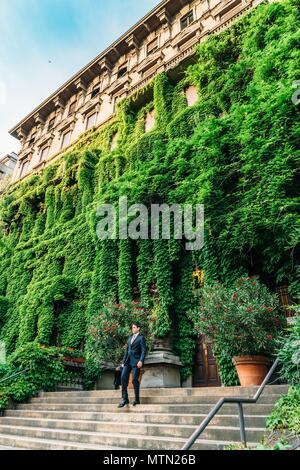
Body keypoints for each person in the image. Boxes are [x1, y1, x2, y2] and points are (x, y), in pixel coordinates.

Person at [118, 322, 147, 408]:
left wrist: (141, 360)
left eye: (134, 327)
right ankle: (124, 398)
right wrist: (123, 362)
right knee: (123, 377)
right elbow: (127, 351)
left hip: (136, 362)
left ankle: (137, 399)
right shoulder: (129, 338)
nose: (132, 329)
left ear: (138, 328)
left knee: (134, 379)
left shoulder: (141, 338)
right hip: (127, 362)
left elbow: (143, 350)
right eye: (132, 327)